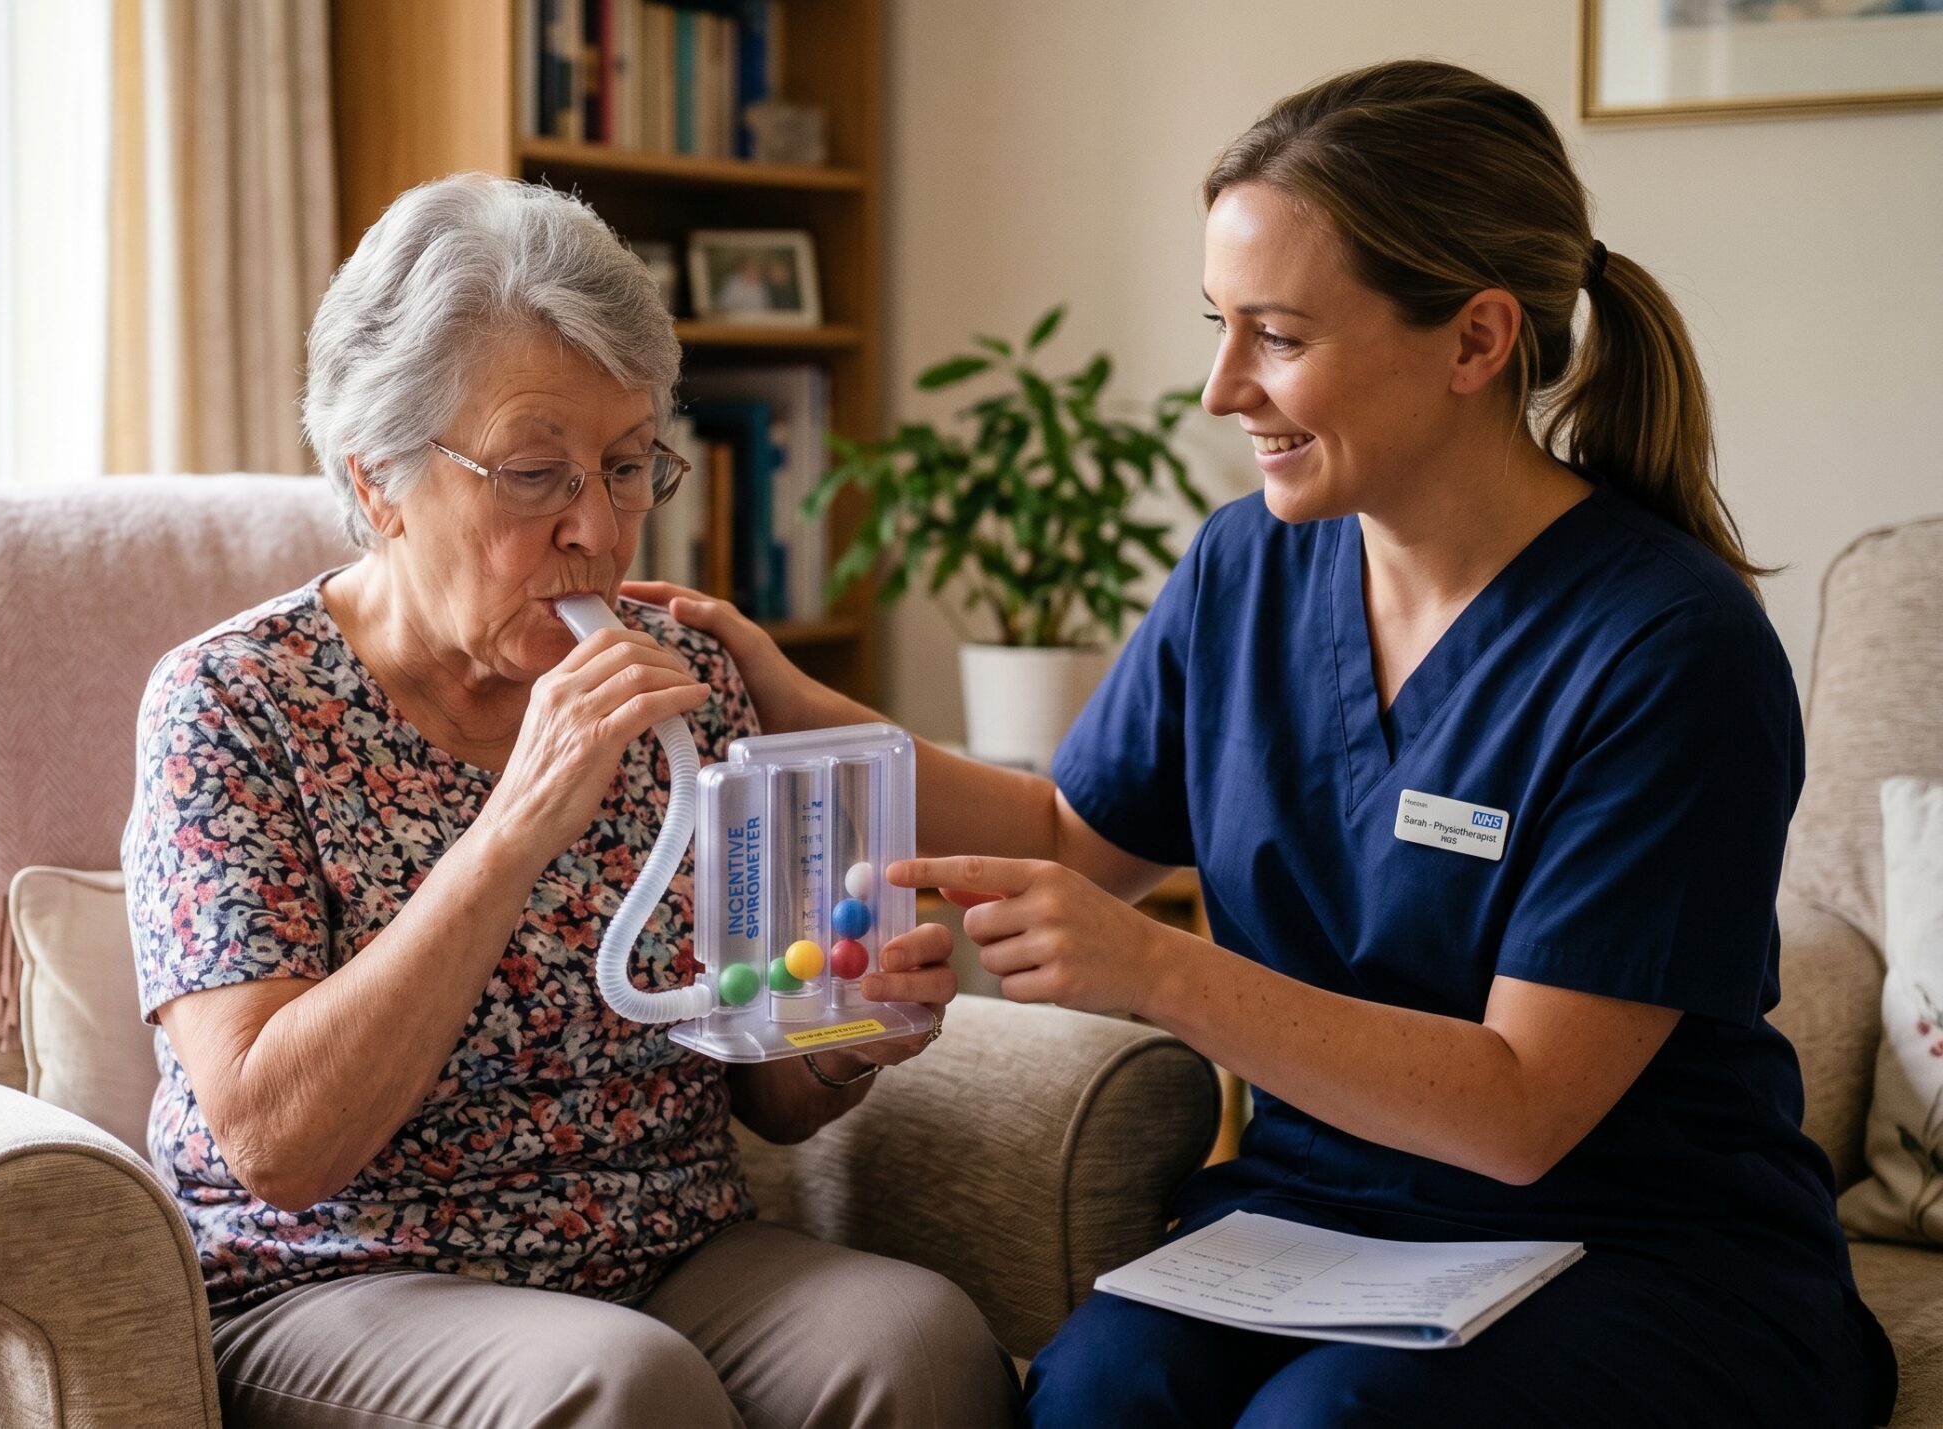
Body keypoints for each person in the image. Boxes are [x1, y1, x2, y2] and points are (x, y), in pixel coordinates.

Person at [638, 60, 1897, 1427]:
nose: (1221, 388)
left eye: (1278, 337)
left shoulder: (1667, 648)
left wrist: (1156, 970)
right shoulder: (1247, 568)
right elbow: (1072, 836)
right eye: (1218, 327)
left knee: (1323, 1424)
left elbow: (1522, 1111)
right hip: (1317, 1221)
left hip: (1636, 1245)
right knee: (1096, 1395)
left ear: (1476, 342)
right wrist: (780, 693)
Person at [122, 173, 1015, 1429]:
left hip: (666, 1246)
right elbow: (277, 1144)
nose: (597, 529)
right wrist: (515, 824)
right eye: (536, 475)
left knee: (917, 1342)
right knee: (620, 1385)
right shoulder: (232, 705)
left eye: (630, 464)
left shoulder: (688, 679)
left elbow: (763, 1086)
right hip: (345, 1273)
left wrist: (841, 1038)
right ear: (377, 480)